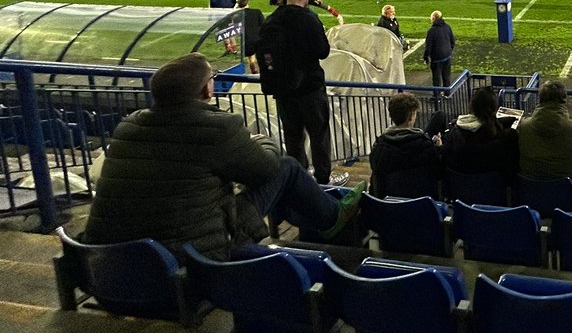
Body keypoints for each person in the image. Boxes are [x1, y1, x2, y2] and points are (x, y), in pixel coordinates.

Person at [83, 53, 365, 260]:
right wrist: (260, 140)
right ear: (207, 89)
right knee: (288, 166)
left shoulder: (128, 125)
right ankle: (332, 218)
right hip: (192, 259)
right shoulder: (219, 127)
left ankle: (313, 215)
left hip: (111, 266)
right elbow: (266, 169)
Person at [262, 0, 335, 184]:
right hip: (310, 88)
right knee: (319, 135)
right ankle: (322, 180)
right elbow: (323, 51)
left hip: (283, 90)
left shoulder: (272, 19)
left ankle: (299, 181)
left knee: (293, 137)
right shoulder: (308, 19)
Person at [516, 81, 572, 194]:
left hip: (531, 192)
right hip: (568, 195)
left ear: (540, 99)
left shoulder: (523, 127)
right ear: (563, 100)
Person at [368, 91, 443, 197]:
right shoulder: (424, 145)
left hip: (387, 207)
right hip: (420, 207)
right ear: (411, 116)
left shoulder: (379, 148)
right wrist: (438, 149)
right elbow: (438, 173)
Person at [443, 86, 519, 181]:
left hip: (459, 191)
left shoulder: (453, 136)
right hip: (495, 191)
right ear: (494, 108)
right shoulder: (505, 139)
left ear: (472, 107)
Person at [423, 10, 455, 95]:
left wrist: (426, 57)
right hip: (447, 55)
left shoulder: (432, 31)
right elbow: (452, 41)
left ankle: (436, 97)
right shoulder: (447, 26)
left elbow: (428, 47)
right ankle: (447, 94)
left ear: (433, 18)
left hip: (437, 58)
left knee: (436, 78)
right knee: (446, 76)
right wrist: (449, 50)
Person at [236, 0, 265, 73]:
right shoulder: (256, 12)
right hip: (258, 38)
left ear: (238, 5)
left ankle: (254, 71)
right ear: (247, 3)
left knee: (251, 57)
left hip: (246, 39)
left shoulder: (237, 15)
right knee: (262, 56)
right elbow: (263, 24)